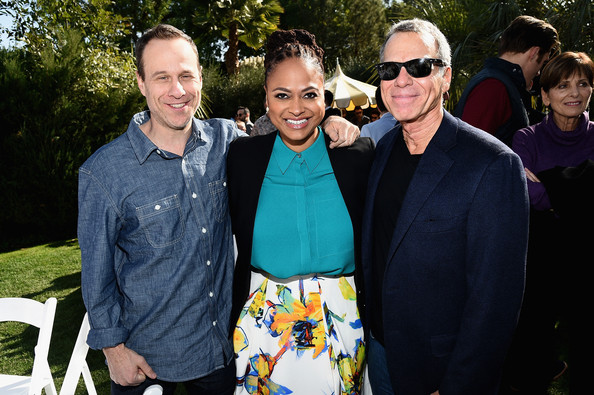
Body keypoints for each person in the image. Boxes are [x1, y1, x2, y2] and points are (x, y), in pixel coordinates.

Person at [77, 24, 360, 395]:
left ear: (200, 80)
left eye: (186, 76)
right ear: (141, 82)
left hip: (221, 357)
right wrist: (113, 349)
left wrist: (331, 121)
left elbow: (288, 131)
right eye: (162, 78)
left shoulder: (226, 141)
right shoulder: (104, 173)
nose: (177, 91)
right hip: (147, 362)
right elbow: (96, 274)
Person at [362, 18, 529, 395]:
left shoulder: (492, 164)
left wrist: (459, 384)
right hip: (379, 354)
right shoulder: (383, 149)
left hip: (440, 371)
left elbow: (496, 301)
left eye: (419, 66)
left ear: (447, 76)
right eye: (390, 69)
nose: (401, 80)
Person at [227, 29, 374, 394]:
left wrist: (333, 123)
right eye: (282, 95)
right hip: (264, 328)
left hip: (346, 323)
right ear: (266, 99)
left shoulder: (358, 157)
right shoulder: (242, 160)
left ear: (324, 96)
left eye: (309, 95)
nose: (296, 108)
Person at [507, 51, 594, 394]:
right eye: (562, 85)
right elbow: (524, 195)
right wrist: (577, 184)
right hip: (540, 256)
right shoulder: (525, 139)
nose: (574, 93)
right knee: (532, 348)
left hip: (587, 256)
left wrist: (548, 183)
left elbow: (540, 193)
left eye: (583, 83)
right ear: (544, 95)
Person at [454, 15, 559, 147]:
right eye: (543, 62)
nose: (538, 72)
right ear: (534, 53)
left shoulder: (502, 84)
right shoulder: (493, 87)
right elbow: (468, 148)